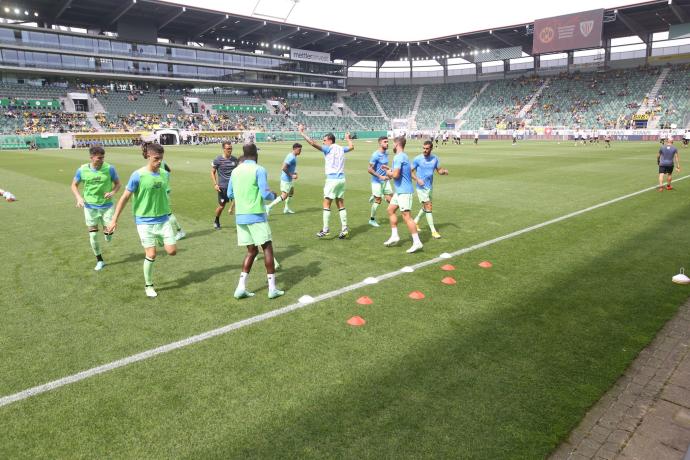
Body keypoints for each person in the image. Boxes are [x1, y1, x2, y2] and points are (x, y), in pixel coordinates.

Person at [107, 143, 177, 298]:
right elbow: (125, 197)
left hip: (163, 220)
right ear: (148, 156)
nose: (159, 161)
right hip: (144, 221)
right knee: (151, 254)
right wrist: (114, 220)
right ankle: (149, 285)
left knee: (172, 252)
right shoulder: (137, 175)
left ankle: (160, 239)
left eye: (161, 158)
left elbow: (164, 195)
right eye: (156, 158)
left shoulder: (165, 174)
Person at [227, 143, 283, 299]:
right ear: (255, 154)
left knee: (251, 251)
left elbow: (230, 193)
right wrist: (273, 194)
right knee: (267, 248)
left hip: (241, 217)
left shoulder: (235, 171)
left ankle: (240, 287)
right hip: (256, 215)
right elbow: (265, 195)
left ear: (244, 155)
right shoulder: (259, 169)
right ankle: (272, 288)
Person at [70, 146, 121, 271]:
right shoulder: (82, 170)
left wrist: (112, 192)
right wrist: (79, 198)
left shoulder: (110, 168)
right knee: (93, 236)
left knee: (108, 233)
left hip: (107, 206)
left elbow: (118, 184)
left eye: (103, 157)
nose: (101, 160)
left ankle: (108, 233)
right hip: (90, 207)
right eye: (99, 158)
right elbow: (74, 185)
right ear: (91, 157)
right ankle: (100, 260)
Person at [298, 124, 354, 239]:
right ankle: (344, 228)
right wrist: (348, 139)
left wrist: (302, 133)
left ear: (330, 140)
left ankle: (325, 229)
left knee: (326, 203)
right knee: (340, 204)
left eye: (324, 140)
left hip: (332, 180)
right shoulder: (340, 148)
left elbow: (313, 143)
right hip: (342, 179)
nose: (323, 142)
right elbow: (352, 147)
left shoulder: (328, 148)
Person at [383, 136, 423, 253]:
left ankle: (417, 242)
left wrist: (388, 172)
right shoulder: (403, 156)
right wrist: (390, 169)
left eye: (393, 143)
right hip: (400, 191)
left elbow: (395, 175)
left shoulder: (399, 157)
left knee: (406, 217)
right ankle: (395, 235)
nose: (392, 145)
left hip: (404, 192)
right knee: (390, 210)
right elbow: (403, 172)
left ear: (397, 144)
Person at [142, 143, 185, 240]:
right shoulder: (160, 162)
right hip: (158, 189)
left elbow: (168, 171)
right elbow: (169, 170)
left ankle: (179, 231)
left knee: (168, 213)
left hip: (162, 190)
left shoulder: (158, 162)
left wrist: (165, 182)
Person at [412, 141, 448, 239]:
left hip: (429, 187)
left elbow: (439, 170)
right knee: (428, 207)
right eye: (423, 148)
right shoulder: (418, 159)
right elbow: (410, 171)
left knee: (426, 207)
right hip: (421, 187)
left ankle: (415, 222)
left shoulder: (435, 159)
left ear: (431, 149)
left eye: (427, 148)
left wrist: (443, 171)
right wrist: (417, 180)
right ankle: (433, 231)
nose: (425, 150)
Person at [266, 143, 301, 215]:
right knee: (284, 196)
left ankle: (286, 208)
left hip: (289, 179)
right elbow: (283, 167)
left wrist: (295, 172)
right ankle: (268, 206)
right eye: (299, 149)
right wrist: (291, 175)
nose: (300, 151)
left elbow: (291, 167)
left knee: (291, 192)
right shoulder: (291, 157)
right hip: (286, 179)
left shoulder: (293, 156)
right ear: (294, 149)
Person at [211, 141, 239, 229]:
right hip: (223, 187)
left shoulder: (235, 160)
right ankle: (216, 220)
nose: (230, 150)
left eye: (231, 148)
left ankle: (240, 222)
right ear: (223, 149)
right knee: (221, 206)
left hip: (234, 186)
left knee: (239, 202)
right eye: (228, 149)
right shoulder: (218, 160)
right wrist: (215, 184)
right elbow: (212, 172)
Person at [367, 136, 392, 227]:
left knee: (391, 200)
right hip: (376, 181)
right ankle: (372, 220)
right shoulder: (375, 155)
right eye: (385, 142)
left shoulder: (386, 153)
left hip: (386, 180)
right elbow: (369, 169)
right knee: (378, 200)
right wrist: (380, 176)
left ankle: (376, 195)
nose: (387, 143)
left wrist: (389, 173)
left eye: (387, 141)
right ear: (380, 143)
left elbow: (383, 167)